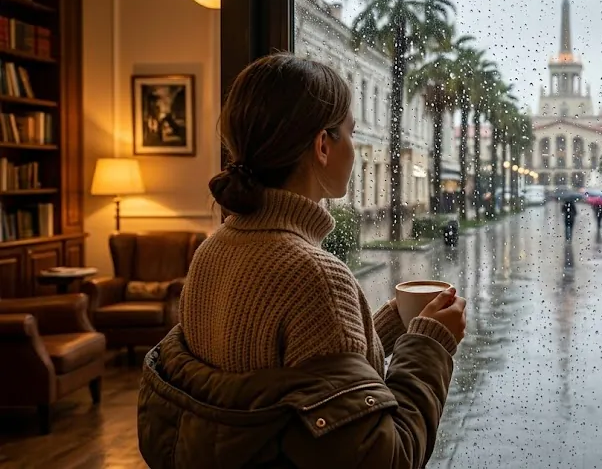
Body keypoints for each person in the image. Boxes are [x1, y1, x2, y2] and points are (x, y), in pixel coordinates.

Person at [136, 53, 467, 468]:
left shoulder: (213, 250)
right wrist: (429, 345)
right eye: (350, 132)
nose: (354, 147)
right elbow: (385, 457)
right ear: (323, 146)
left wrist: (390, 326)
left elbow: (283, 384)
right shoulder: (314, 276)